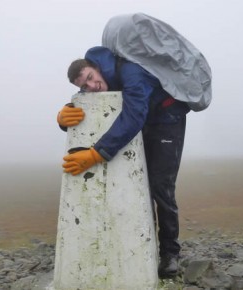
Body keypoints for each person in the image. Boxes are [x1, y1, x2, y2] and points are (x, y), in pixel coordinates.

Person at [57, 46, 189, 279]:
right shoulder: (105, 80)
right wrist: (64, 116)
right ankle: (145, 247)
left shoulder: (130, 71)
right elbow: (91, 108)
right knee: (141, 186)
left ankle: (170, 254)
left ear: (97, 68)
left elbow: (134, 115)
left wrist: (97, 153)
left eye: (90, 77)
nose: (92, 86)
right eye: (84, 86)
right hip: (145, 123)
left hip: (167, 119)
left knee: (161, 186)